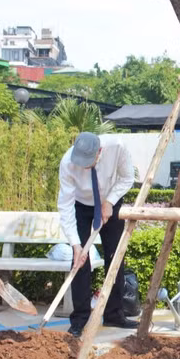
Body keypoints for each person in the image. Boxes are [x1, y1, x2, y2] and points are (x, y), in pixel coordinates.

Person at [58, 132, 136, 337]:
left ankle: (114, 315)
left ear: (99, 152)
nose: (83, 166)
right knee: (80, 262)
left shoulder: (118, 146)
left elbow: (128, 177)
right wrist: (75, 245)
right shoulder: (67, 162)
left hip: (110, 201)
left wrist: (109, 201)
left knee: (115, 258)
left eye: (88, 162)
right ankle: (79, 320)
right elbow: (65, 205)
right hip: (81, 206)